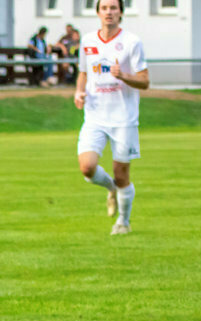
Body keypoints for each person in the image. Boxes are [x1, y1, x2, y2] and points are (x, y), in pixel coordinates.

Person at [74, 0, 148, 235]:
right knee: (87, 167)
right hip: (95, 116)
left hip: (123, 118)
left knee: (122, 174)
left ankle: (123, 223)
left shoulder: (131, 42)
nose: (109, 12)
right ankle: (111, 189)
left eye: (113, 8)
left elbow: (145, 81)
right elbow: (83, 73)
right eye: (104, 8)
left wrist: (123, 76)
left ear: (121, 13)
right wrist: (78, 92)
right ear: (97, 12)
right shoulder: (87, 41)